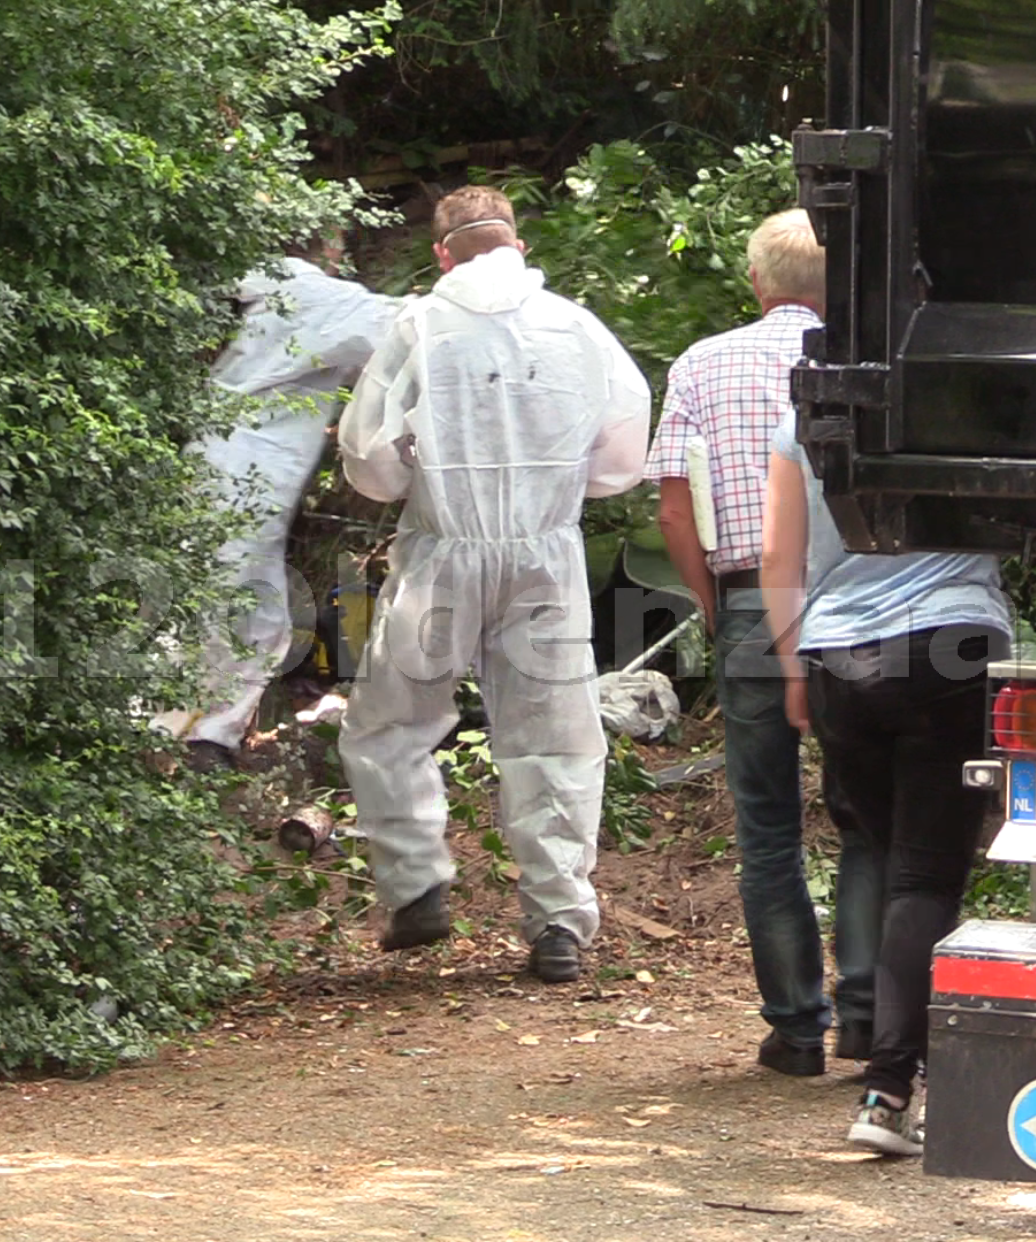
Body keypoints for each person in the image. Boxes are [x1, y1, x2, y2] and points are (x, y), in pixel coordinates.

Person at [336, 186, 651, 984]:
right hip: (545, 556)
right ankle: (557, 924)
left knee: (388, 725)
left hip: (443, 552)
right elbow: (621, 457)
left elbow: (369, 460)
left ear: (442, 252)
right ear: (517, 244)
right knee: (555, 736)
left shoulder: (418, 328)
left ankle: (416, 886)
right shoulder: (577, 329)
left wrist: (419, 471)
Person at [644, 208, 875, 1077]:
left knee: (768, 828)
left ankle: (795, 1029)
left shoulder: (704, 363)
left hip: (749, 602)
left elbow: (674, 508)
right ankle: (867, 1015)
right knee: (865, 820)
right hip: (868, 605)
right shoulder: (864, 363)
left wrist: (714, 605)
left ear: (756, 282)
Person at [759, 401, 1012, 1156]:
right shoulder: (964, 398)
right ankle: (890, 1087)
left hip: (839, 656)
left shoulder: (802, 419)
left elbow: (780, 557)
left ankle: (897, 1059)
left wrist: (790, 669)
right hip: (950, 645)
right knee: (924, 882)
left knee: (893, 864)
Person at [152, 252, 405, 770]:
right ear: (327, 251)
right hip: (252, 470)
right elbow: (417, 327)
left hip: (213, 456)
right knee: (238, 605)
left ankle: (184, 729)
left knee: (210, 595)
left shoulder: (253, 284)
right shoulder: (317, 296)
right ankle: (184, 735)